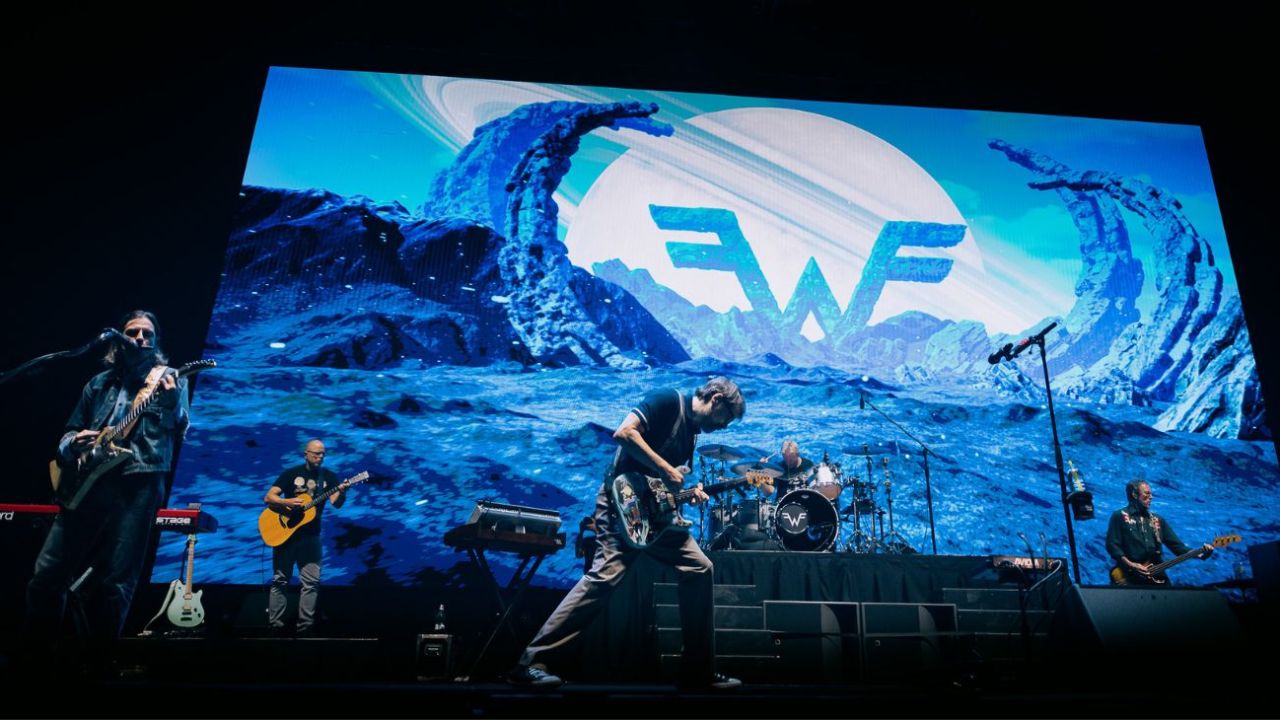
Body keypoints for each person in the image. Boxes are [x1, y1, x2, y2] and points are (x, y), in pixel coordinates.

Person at [508, 376, 746, 689]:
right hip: (620, 505)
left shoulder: (690, 435)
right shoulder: (666, 400)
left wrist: (686, 493)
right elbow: (624, 432)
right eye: (725, 418)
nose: (723, 427)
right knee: (606, 575)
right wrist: (664, 467)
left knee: (700, 569)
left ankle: (697, 672)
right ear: (716, 399)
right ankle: (530, 662)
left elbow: (664, 484)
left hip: (654, 517)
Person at [25, 310, 191, 672]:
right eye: (133, 332)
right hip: (88, 482)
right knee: (47, 575)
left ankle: (99, 667)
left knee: (117, 579)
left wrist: (168, 403)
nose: (141, 339)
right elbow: (67, 434)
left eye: (148, 334)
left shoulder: (170, 380)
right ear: (119, 340)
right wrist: (74, 444)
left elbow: (178, 430)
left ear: (157, 342)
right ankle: (37, 663)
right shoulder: (97, 383)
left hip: (139, 480)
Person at [264, 439, 347, 635]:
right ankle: (275, 627)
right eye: (316, 453)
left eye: (323, 454)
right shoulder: (291, 474)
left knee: (311, 583)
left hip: (311, 537)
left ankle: (305, 628)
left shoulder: (328, 477)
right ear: (306, 454)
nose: (320, 457)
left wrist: (343, 491)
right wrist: (288, 501)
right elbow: (269, 497)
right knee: (280, 580)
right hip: (285, 536)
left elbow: (337, 504)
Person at [1105, 480, 1213, 584]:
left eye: (1151, 494)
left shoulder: (1158, 520)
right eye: (1147, 493)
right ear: (1134, 494)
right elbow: (1113, 546)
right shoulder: (1119, 516)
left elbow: (1178, 548)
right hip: (1128, 577)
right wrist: (1132, 565)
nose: (1151, 497)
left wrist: (1200, 554)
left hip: (1158, 578)